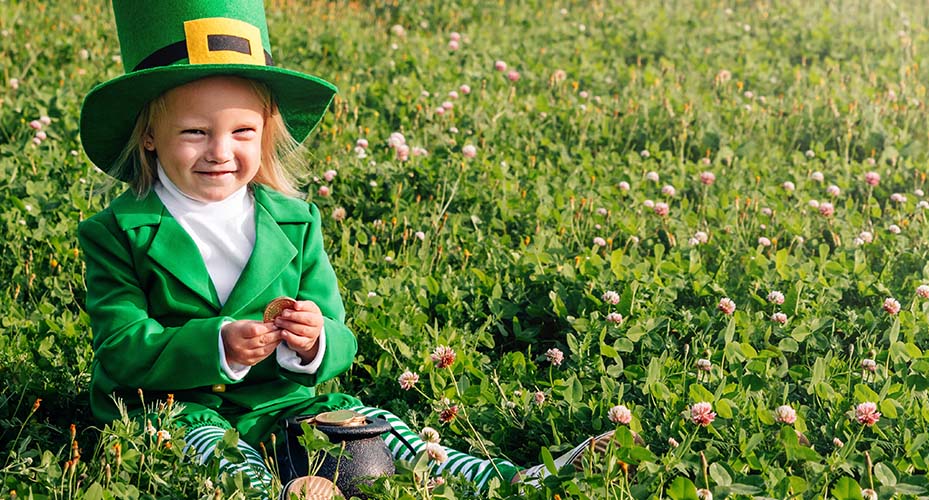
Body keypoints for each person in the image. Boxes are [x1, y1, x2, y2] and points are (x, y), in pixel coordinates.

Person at [78, 1, 624, 498]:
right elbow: (121, 346)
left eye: (242, 131)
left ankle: (514, 479)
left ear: (267, 133)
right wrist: (215, 345)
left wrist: (312, 342)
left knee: (381, 431)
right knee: (207, 450)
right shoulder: (118, 231)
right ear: (149, 134)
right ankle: (273, 491)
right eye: (194, 132)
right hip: (172, 405)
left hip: (282, 404)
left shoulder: (293, 221)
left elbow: (339, 335)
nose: (221, 152)